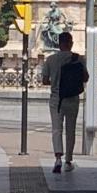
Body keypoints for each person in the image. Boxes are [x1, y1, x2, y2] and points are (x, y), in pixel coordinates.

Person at [39, 31, 87, 173]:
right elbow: (86, 77)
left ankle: (58, 158)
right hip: (72, 98)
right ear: (71, 43)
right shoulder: (78, 59)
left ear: (59, 44)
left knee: (56, 129)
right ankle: (68, 160)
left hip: (56, 98)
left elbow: (44, 80)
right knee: (70, 129)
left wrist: (55, 81)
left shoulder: (51, 59)